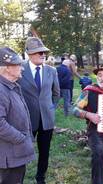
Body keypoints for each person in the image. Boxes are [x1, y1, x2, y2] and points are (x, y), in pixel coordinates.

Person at [18, 37, 60, 184]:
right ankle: (18, 178)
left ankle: (40, 178)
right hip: (26, 119)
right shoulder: (20, 69)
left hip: (47, 120)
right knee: (21, 151)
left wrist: (50, 108)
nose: (43, 54)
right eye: (39, 52)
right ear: (29, 53)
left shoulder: (51, 70)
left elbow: (56, 94)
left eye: (44, 52)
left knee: (44, 152)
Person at [0, 47, 35, 184]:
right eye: (18, 64)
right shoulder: (1, 90)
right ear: (7, 68)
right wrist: (20, 138)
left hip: (15, 152)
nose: (22, 68)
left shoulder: (11, 85)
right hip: (9, 155)